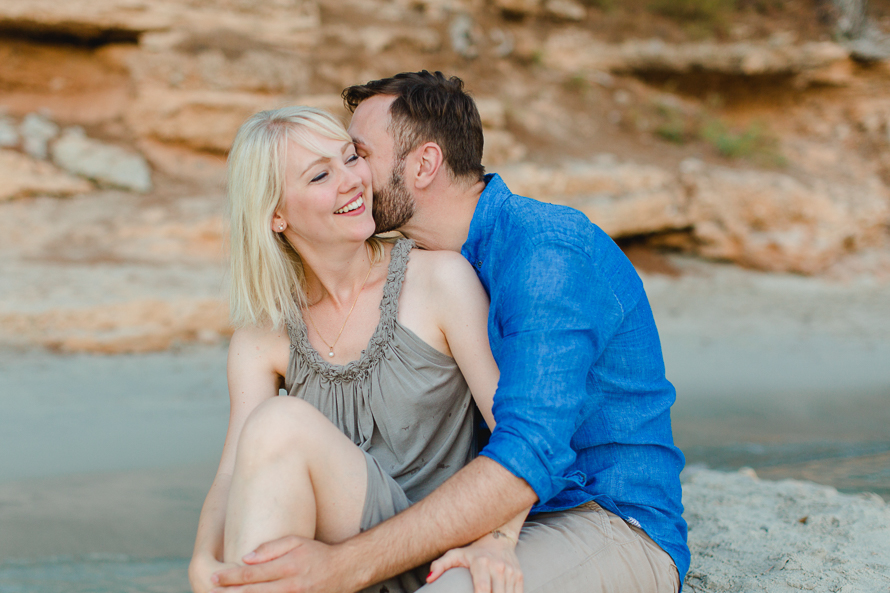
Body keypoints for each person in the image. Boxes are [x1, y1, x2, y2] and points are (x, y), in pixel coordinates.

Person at [210, 71, 689, 593]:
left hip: (600, 514)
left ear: (424, 164)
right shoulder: (440, 264)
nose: (355, 177)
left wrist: (343, 567)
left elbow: (533, 450)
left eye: (358, 154)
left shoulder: (545, 253)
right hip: (481, 515)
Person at [189, 106, 531, 593]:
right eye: (321, 174)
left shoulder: (438, 280)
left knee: (278, 424)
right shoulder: (262, 334)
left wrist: (498, 537)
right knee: (267, 438)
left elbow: (517, 434)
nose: (352, 180)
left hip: (430, 547)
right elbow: (231, 477)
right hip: (327, 563)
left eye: (351, 157)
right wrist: (203, 560)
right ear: (277, 215)